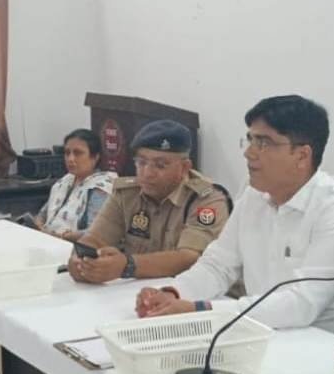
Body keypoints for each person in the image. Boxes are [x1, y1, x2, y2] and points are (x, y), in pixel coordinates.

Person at [135, 95, 334, 338]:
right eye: (250, 139)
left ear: (302, 156)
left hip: (332, 348)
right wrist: (173, 293)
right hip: (268, 333)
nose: (249, 153)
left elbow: (300, 305)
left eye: (263, 143)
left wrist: (201, 310)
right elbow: (218, 265)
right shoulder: (254, 195)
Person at [69, 119, 231, 284]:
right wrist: (81, 261)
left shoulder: (207, 200)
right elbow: (95, 239)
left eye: (160, 165)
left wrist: (127, 266)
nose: (147, 173)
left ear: (184, 168)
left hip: (188, 290)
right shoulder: (126, 194)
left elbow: (189, 258)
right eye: (141, 162)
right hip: (133, 290)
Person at [36, 128, 117, 242]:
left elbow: (97, 232)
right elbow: (42, 214)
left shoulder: (100, 188)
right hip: (48, 240)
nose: (70, 159)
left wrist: (63, 237)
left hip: (76, 247)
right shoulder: (65, 181)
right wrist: (38, 226)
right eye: (67, 153)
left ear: (95, 157)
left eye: (78, 153)